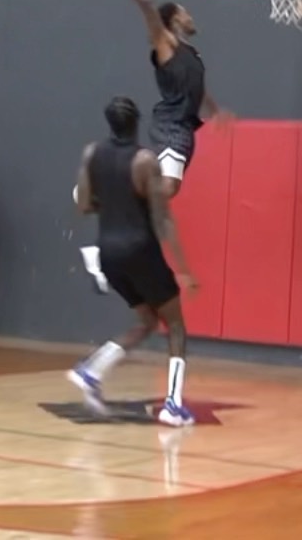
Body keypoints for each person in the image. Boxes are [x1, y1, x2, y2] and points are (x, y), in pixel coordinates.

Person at [68, 96, 199, 427]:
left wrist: (113, 204)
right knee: (176, 325)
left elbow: (83, 205)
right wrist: (183, 270)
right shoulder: (145, 161)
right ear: (136, 122)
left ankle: (92, 370)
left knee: (147, 321)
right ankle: (173, 406)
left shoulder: (91, 153)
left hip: (108, 255)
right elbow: (162, 220)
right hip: (139, 250)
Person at [112, 0, 233, 199]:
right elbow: (145, 0)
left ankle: (118, 183)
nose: (190, 17)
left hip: (184, 125)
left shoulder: (191, 54)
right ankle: (111, 188)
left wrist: (214, 109)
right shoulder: (165, 42)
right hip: (171, 122)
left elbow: (196, 85)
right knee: (166, 187)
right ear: (175, 18)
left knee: (167, 188)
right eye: (185, 12)